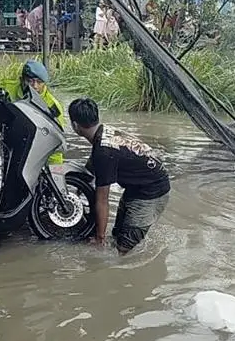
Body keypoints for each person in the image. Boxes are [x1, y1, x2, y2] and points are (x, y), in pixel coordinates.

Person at [67, 98, 170, 254]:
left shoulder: (104, 151)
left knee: (123, 249)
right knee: (117, 235)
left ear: (75, 125)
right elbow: (93, 162)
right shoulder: (104, 132)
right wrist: (79, 188)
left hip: (152, 193)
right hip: (139, 185)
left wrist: (99, 239)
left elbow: (102, 200)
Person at [0, 59, 66, 163]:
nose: (35, 86)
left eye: (39, 82)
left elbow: (56, 141)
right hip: (10, 143)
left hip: (37, 151)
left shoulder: (52, 106)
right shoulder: (8, 88)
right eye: (30, 81)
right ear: (22, 79)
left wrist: (56, 170)